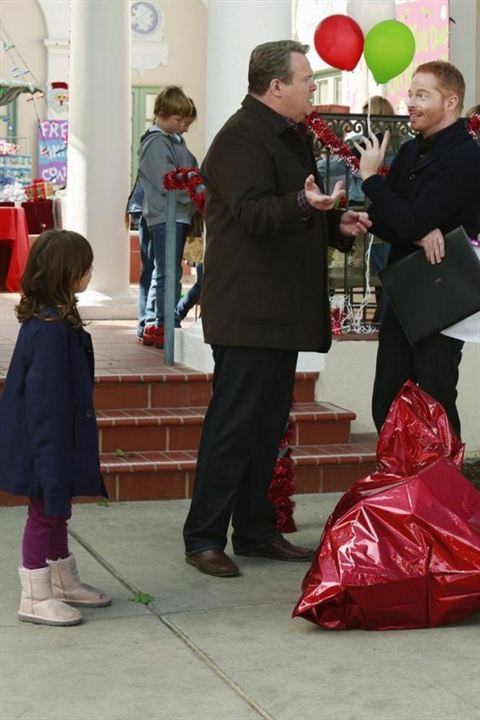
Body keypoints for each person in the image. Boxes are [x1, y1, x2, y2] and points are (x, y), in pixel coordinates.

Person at [183, 40, 371, 578]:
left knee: (265, 428)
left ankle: (256, 529)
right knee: (233, 425)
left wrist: (336, 225)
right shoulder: (241, 138)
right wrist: (301, 205)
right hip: (248, 310)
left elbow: (297, 206)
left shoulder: (289, 135)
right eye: (307, 78)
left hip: (277, 310)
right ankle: (203, 537)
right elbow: (253, 214)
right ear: (276, 87)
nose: (314, 86)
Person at [354, 61, 480, 438]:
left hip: (443, 297)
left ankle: (444, 493)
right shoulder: (410, 151)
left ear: (452, 101)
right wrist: (418, 232)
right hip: (403, 288)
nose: (410, 102)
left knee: (435, 397)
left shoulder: (467, 158)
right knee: (388, 399)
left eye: (422, 95)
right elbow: (387, 220)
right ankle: (401, 487)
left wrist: (371, 179)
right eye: (410, 94)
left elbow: (404, 218)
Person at [0, 229, 111, 626]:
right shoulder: (49, 332)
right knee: (45, 511)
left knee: (56, 512)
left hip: (55, 441)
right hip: (42, 443)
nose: (91, 272)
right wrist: (50, 464)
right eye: (86, 266)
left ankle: (63, 582)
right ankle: (35, 595)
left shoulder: (54, 322)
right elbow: (43, 405)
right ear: (68, 273)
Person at [137, 86, 197, 348]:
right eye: (178, 120)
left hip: (178, 215)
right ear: (161, 114)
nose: (183, 126)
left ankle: (156, 320)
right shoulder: (156, 143)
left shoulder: (175, 141)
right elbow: (168, 182)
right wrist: (196, 195)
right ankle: (163, 323)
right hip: (166, 215)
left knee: (166, 270)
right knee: (166, 272)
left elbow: (192, 171)